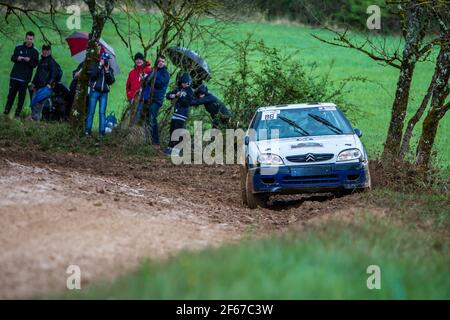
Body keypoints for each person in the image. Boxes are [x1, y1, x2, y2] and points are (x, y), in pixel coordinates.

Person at [136, 55, 170, 149]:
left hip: (157, 99)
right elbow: (145, 83)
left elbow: (159, 84)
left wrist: (151, 79)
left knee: (152, 118)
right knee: (147, 119)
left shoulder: (165, 74)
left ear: (164, 63)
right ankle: (148, 140)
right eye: (159, 61)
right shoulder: (152, 71)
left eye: (163, 61)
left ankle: (156, 142)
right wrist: (144, 78)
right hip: (148, 98)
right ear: (156, 61)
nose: (161, 62)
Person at [3, 31, 39, 118]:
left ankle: (17, 115)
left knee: (21, 97)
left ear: (33, 40)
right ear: (25, 38)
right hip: (15, 76)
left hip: (25, 78)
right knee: (11, 95)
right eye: (28, 38)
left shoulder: (35, 52)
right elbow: (12, 58)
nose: (29, 41)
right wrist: (17, 58)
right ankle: (6, 112)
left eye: (31, 39)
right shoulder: (18, 47)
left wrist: (29, 60)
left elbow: (35, 64)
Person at [85, 52, 115, 136]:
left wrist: (107, 71)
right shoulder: (95, 66)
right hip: (94, 91)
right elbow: (92, 76)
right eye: (104, 59)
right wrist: (99, 66)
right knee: (91, 111)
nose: (105, 61)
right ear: (100, 59)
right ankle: (87, 130)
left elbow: (111, 81)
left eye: (107, 60)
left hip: (104, 93)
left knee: (102, 112)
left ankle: (102, 132)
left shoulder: (110, 69)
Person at [164, 73, 194, 155]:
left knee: (177, 131)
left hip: (182, 115)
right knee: (172, 130)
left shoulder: (190, 91)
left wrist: (180, 97)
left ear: (189, 83)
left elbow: (187, 103)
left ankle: (176, 150)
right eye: (183, 83)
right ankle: (170, 147)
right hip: (175, 114)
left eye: (186, 83)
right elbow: (168, 95)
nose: (184, 84)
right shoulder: (178, 89)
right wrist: (174, 95)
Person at [29, 44, 60, 121]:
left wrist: (49, 84)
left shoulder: (52, 62)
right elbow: (37, 73)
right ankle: (34, 120)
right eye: (44, 50)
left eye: (47, 50)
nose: (45, 52)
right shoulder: (41, 61)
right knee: (33, 103)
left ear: (50, 51)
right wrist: (33, 83)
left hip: (45, 87)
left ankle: (34, 121)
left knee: (38, 105)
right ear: (42, 50)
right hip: (37, 86)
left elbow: (54, 74)